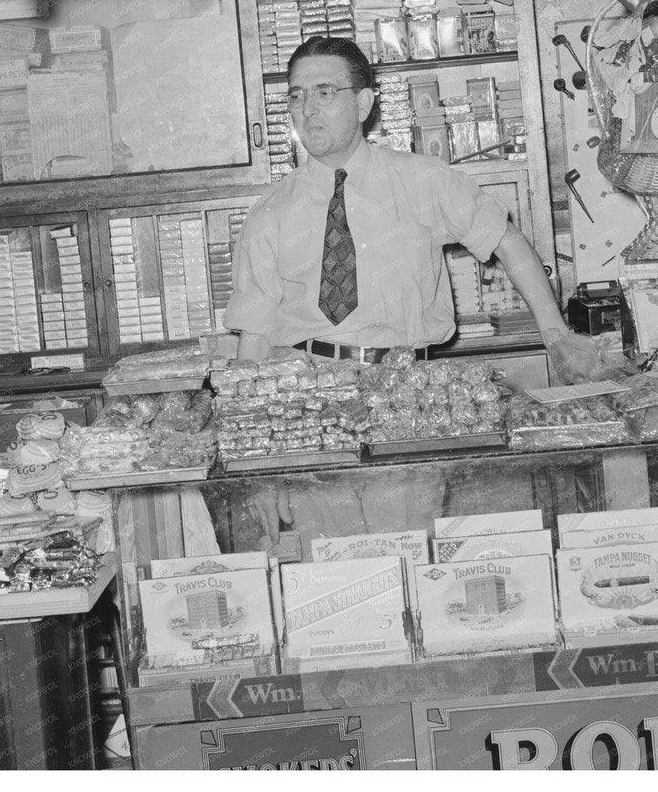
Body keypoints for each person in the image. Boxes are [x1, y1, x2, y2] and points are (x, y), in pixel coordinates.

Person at [224, 36, 604, 545]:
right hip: (310, 403)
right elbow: (253, 340)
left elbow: (508, 242)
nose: (307, 110)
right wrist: (256, 464)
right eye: (295, 96)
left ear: (364, 103)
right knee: (331, 572)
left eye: (324, 92)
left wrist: (555, 335)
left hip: (407, 398)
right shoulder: (269, 213)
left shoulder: (423, 181)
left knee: (411, 556)